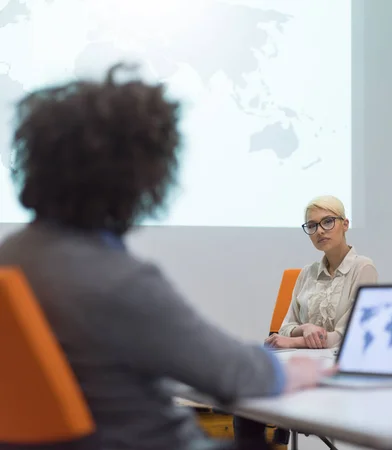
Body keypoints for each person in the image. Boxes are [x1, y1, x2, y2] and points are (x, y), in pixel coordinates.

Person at [0, 63, 333, 450]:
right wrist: (301, 371)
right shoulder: (116, 281)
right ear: (142, 175)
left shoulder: (12, 256)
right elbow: (232, 372)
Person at [235, 195, 377, 445]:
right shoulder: (306, 274)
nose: (319, 231)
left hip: (338, 369)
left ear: (345, 224)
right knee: (247, 392)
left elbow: (347, 335)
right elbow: (286, 327)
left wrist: (294, 342)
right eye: (312, 226)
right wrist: (305, 328)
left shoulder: (363, 268)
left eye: (328, 222)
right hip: (302, 365)